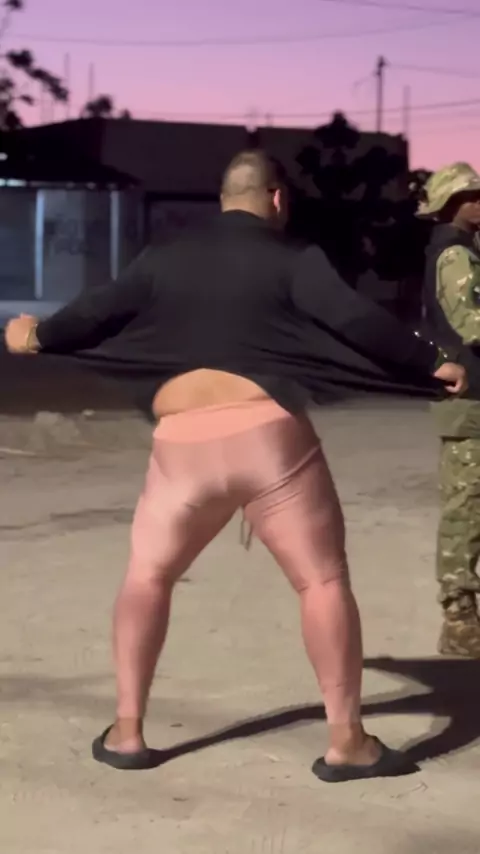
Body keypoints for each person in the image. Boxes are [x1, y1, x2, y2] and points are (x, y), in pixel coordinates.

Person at [5, 150, 466, 782]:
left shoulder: (163, 258)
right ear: (277, 199)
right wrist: (430, 363)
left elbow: (94, 313)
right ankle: (347, 742)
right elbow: (356, 319)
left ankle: (128, 733)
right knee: (321, 583)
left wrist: (35, 335)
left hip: (182, 445)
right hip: (270, 441)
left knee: (148, 577)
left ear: (223, 199)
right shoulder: (293, 258)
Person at [418, 163, 480, 657]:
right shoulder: (455, 253)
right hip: (469, 403)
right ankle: (459, 621)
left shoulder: (461, 249)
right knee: (466, 512)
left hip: (471, 400)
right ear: (451, 205)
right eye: (471, 195)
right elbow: (472, 324)